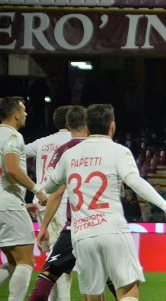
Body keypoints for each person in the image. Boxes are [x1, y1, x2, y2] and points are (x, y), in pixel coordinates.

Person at [42, 103, 166, 301]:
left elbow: (47, 187)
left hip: (81, 235)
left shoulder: (68, 155)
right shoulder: (118, 151)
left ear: (88, 127)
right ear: (112, 126)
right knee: (128, 291)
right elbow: (134, 181)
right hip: (112, 229)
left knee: (92, 296)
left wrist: (35, 192)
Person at [28, 105, 99, 301]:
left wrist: (34, 189)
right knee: (63, 260)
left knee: (52, 258)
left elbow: (18, 153)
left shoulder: (43, 142)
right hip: (64, 201)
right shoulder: (77, 141)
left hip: (42, 200)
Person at [0, 96, 48, 301]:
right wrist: (37, 190)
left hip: (7, 203)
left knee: (12, 260)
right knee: (26, 260)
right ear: (16, 115)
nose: (26, 113)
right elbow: (11, 168)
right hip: (7, 202)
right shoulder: (13, 136)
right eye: (24, 110)